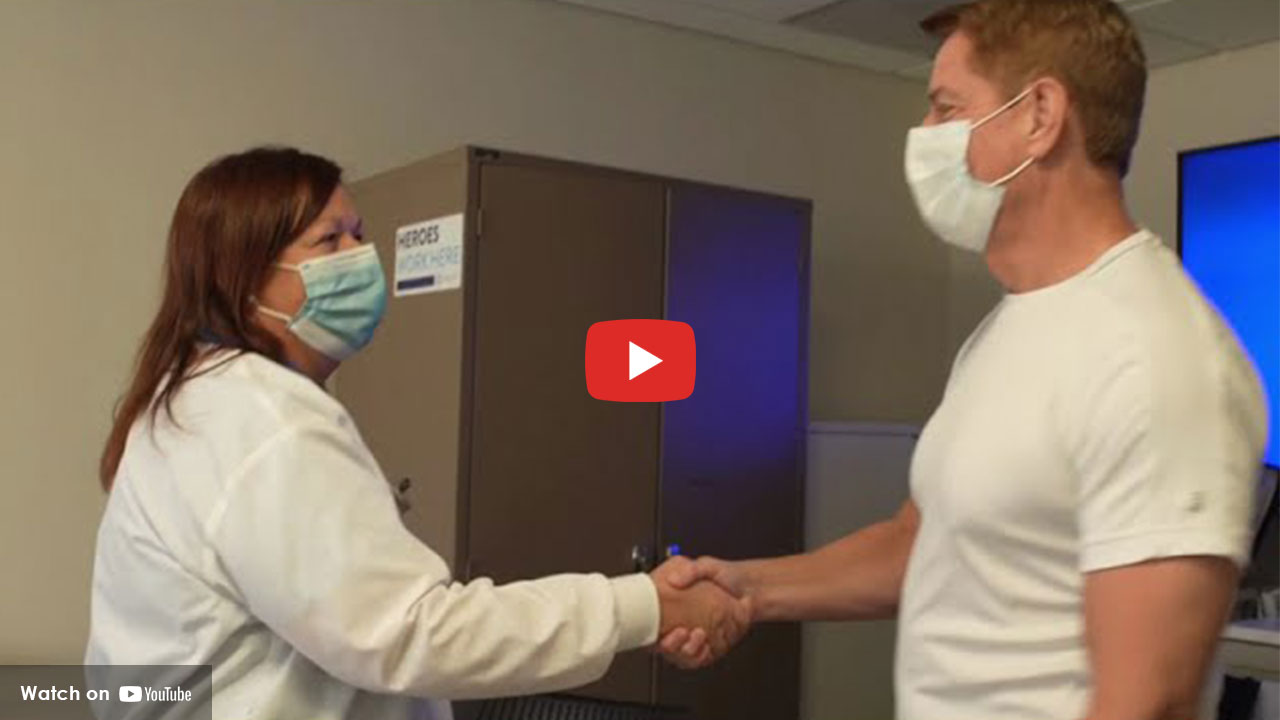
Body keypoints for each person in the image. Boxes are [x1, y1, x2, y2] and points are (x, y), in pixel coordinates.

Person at [659, 1, 1271, 719]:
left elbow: (1148, 703)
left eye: (946, 109)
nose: (923, 137)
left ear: (1040, 114)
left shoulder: (1159, 358)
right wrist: (745, 590)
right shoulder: (1010, 328)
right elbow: (925, 541)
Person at [85, 146, 748, 719]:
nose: (361, 256)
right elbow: (409, 634)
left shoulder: (194, 403)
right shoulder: (262, 417)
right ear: (245, 274)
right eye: (329, 240)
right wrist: (646, 606)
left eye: (359, 233)